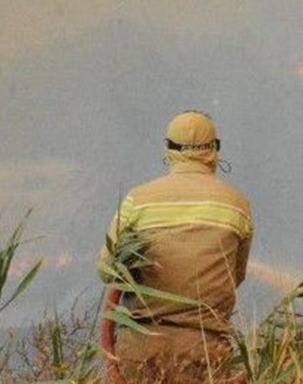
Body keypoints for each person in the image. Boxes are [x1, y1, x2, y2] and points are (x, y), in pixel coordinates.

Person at [98, 111, 254, 384]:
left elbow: (108, 270)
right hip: (204, 349)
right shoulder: (236, 205)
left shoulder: (139, 201)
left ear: (168, 149)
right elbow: (235, 277)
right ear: (214, 149)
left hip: (140, 347)